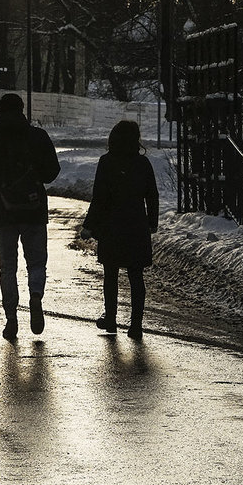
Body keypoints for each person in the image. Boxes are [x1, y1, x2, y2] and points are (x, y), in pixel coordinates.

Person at [0, 93, 61, 340]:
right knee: (36, 262)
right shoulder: (37, 137)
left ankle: (11, 316)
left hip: (4, 211)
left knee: (7, 267)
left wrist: (0, 182)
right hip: (34, 210)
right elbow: (52, 171)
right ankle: (35, 297)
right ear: (22, 110)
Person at [81, 120, 159, 340]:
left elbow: (99, 198)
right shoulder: (142, 164)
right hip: (136, 224)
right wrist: (152, 221)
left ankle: (111, 318)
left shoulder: (106, 162)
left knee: (111, 274)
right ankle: (136, 325)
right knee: (136, 275)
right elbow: (152, 195)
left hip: (111, 225)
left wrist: (89, 225)